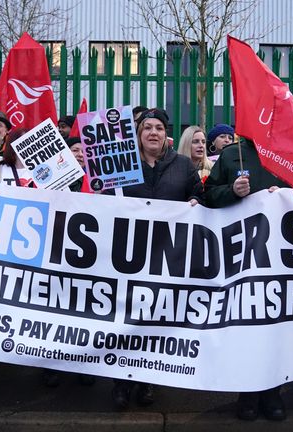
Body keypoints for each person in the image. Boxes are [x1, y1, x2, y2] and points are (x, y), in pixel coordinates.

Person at [109, 108, 203, 410]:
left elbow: (201, 197)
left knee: (155, 323)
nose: (153, 132)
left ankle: (147, 381)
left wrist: (196, 202)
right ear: (138, 135)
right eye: (147, 127)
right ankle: (120, 384)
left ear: (166, 134)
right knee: (122, 320)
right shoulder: (121, 164)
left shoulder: (184, 166)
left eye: (159, 128)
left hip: (166, 260)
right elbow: (102, 202)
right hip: (126, 257)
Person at [204, 137, 287, 422]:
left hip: (282, 258)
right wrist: (232, 191)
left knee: (277, 325)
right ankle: (248, 392)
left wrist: (286, 194)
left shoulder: (288, 152)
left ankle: (273, 391)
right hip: (241, 256)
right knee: (248, 324)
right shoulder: (231, 155)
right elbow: (209, 195)